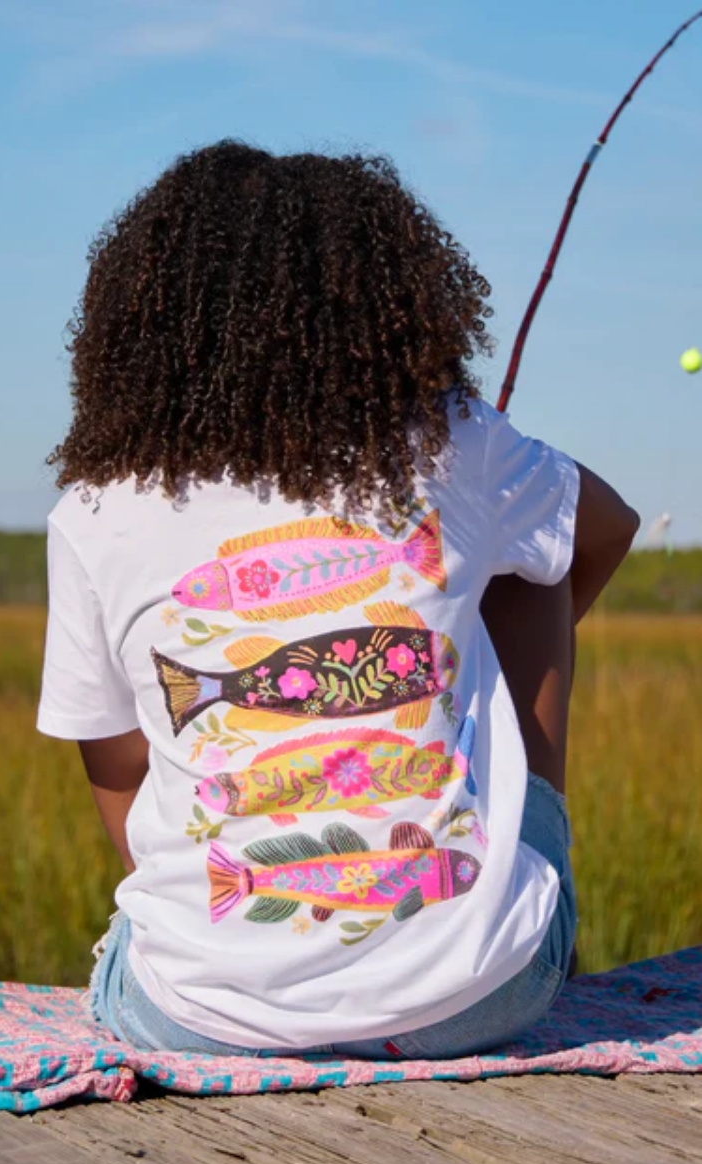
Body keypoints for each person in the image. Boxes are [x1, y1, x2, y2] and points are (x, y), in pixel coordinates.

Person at [37, 140, 639, 1060]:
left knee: (529, 543)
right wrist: (461, 632)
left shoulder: (89, 512)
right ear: (386, 308)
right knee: (538, 553)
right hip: (483, 995)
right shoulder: (453, 445)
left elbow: (116, 770)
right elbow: (607, 526)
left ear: (138, 326)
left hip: (194, 1017)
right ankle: (510, 852)